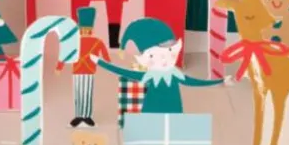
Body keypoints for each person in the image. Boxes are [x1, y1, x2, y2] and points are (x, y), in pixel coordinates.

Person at [94, 18, 222, 113]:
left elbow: (195, 82)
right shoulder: (149, 75)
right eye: (155, 56)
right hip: (151, 114)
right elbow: (122, 72)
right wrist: (99, 62)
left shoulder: (175, 75)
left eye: (170, 52)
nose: (165, 60)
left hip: (174, 113)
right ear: (146, 58)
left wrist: (220, 81)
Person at [56, 7, 109, 128]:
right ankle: (79, 115)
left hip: (88, 71)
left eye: (87, 29)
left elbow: (105, 56)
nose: (85, 31)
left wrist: (108, 64)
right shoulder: (77, 41)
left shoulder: (95, 41)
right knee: (79, 93)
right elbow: (66, 54)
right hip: (78, 71)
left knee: (87, 93)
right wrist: (59, 66)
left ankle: (86, 116)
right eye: (83, 29)